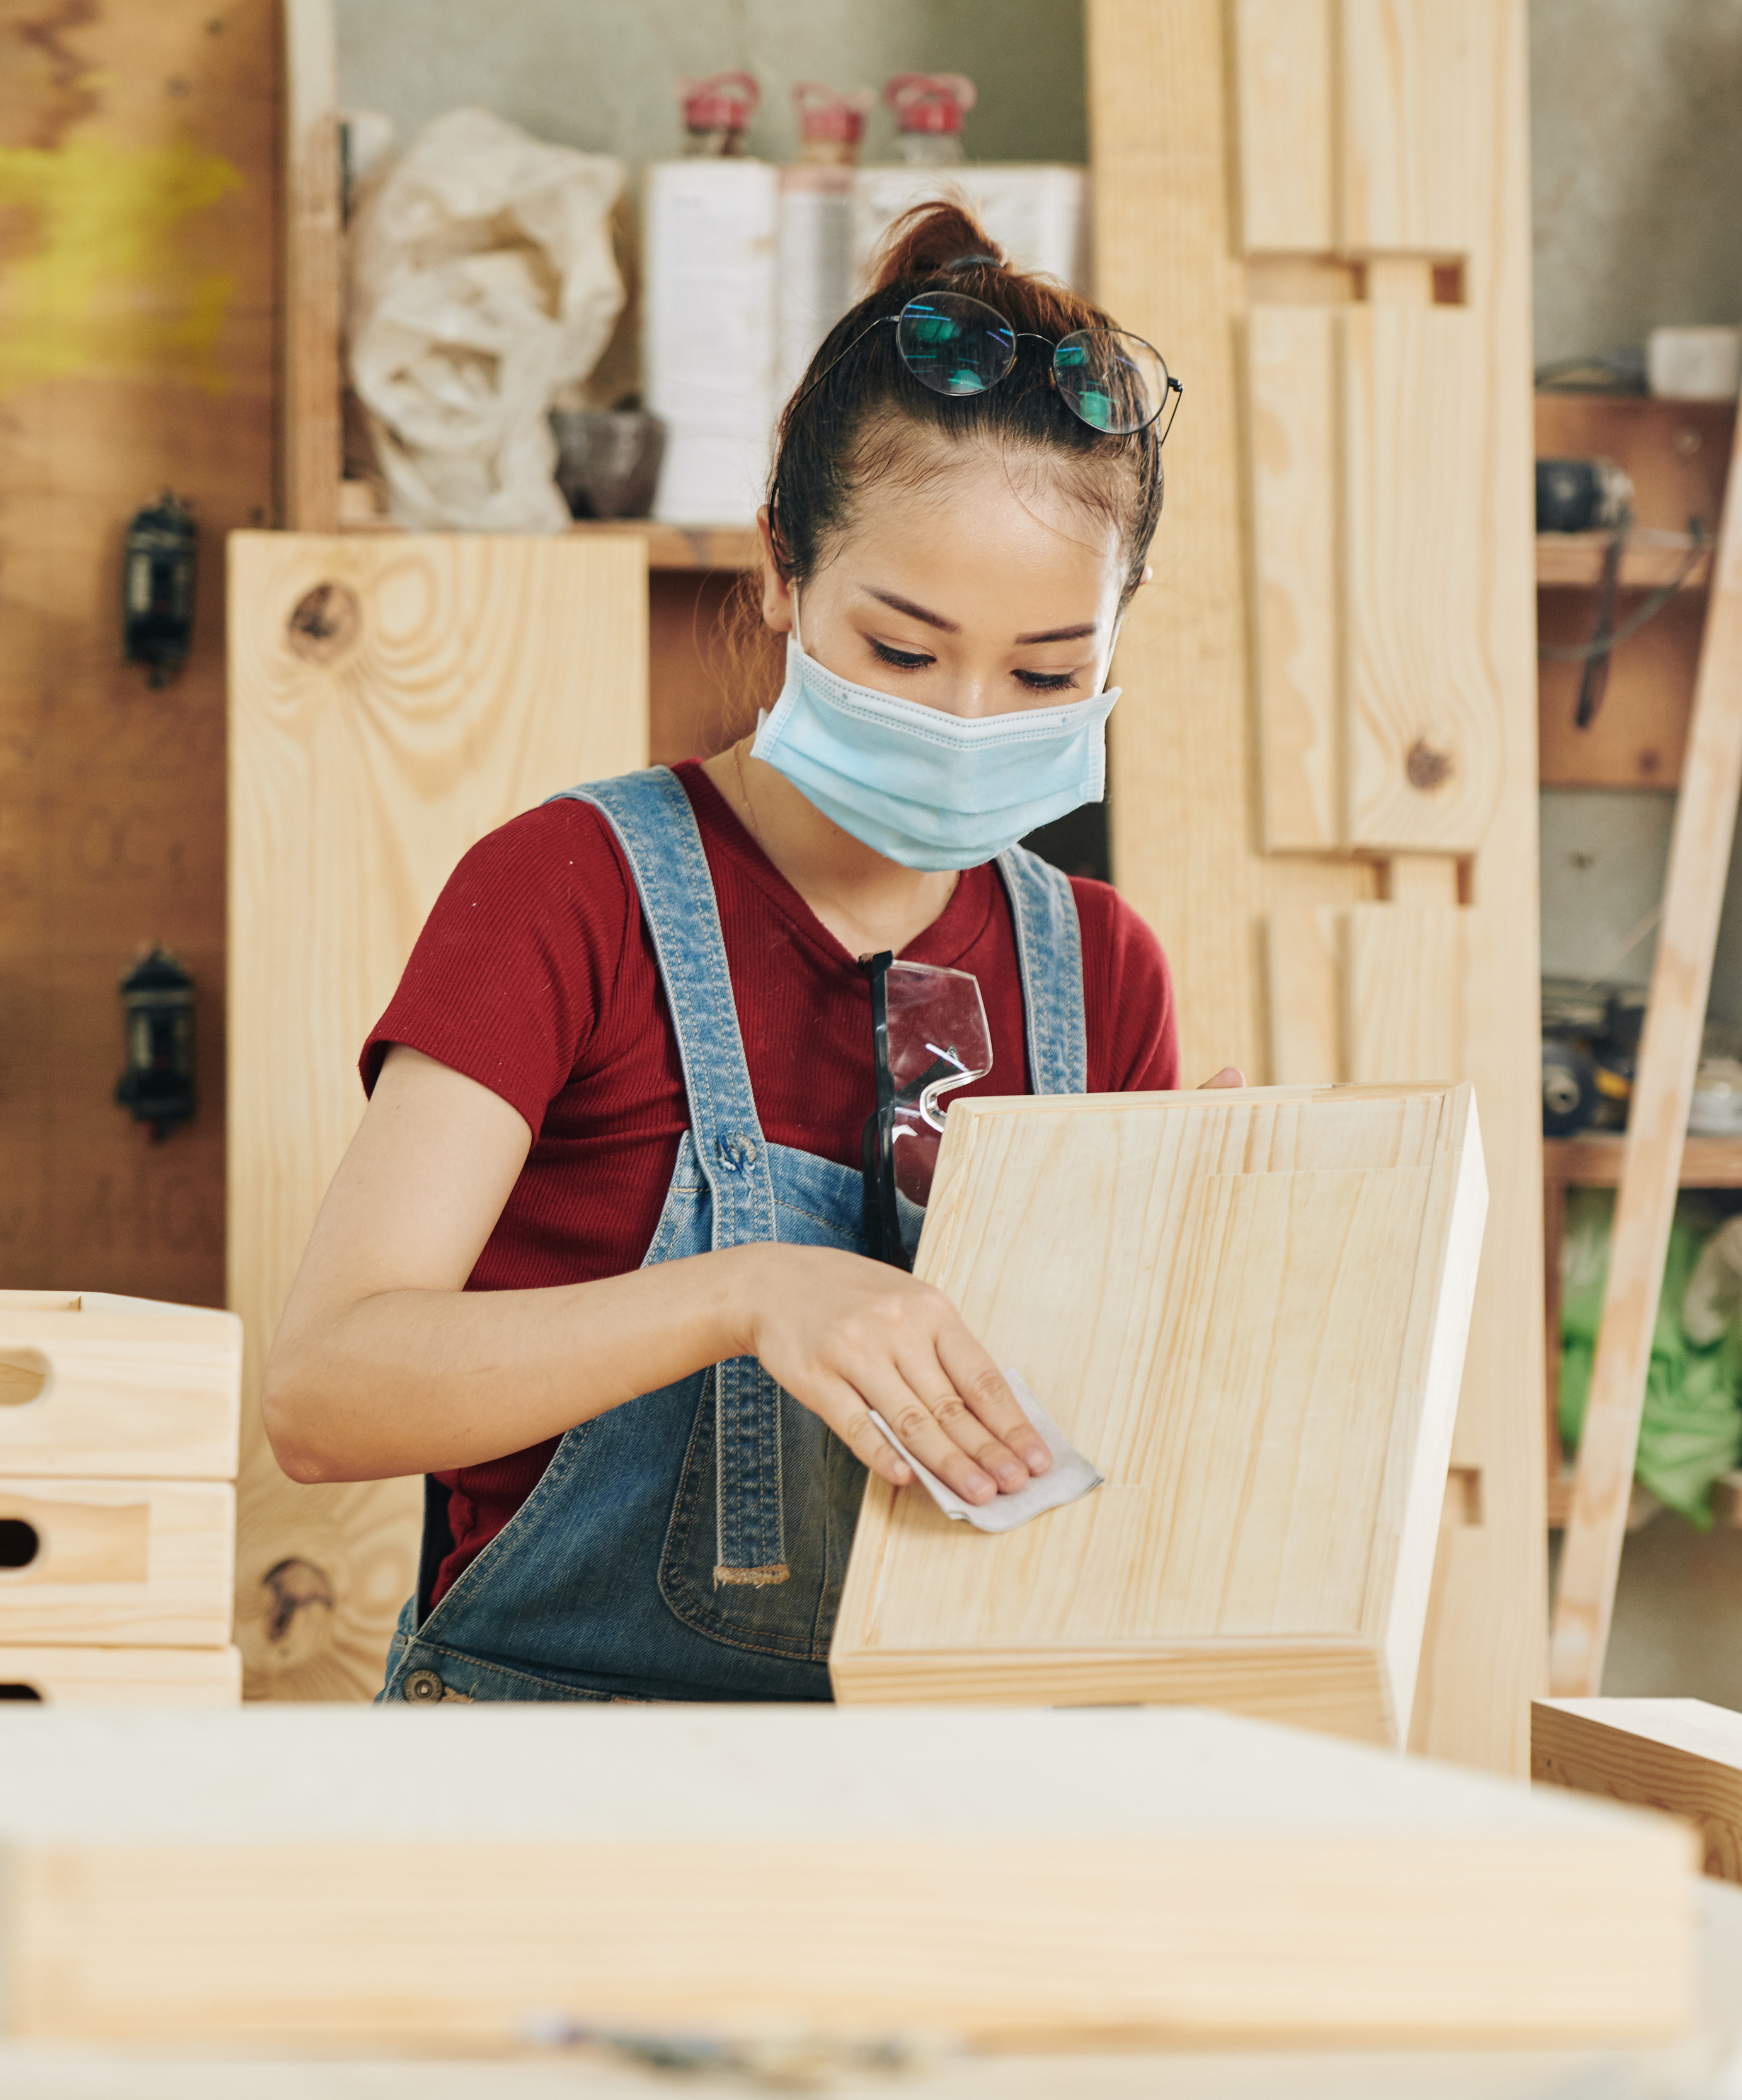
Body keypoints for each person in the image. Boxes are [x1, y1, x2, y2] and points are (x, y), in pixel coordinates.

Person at [264, 201, 1225, 1704]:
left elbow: (1122, 1487)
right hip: (542, 1804)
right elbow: (325, 1393)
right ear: (782, 568)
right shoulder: (569, 893)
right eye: (902, 650)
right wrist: (742, 1293)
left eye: (1049, 671)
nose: (968, 719)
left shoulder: (1102, 970)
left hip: (938, 1801)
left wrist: (1225, 1274)